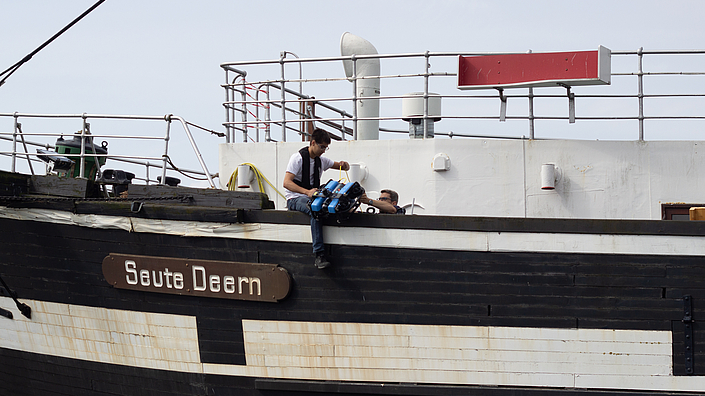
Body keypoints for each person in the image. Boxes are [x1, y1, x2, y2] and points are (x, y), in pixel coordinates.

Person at [283, 128, 349, 269]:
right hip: (295, 198)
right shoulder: (297, 158)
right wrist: (307, 192)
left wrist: (345, 165)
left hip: (312, 197)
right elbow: (286, 183)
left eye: (326, 147)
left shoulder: (322, 161)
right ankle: (319, 254)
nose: (324, 150)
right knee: (316, 210)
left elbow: (339, 166)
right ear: (313, 143)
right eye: (322, 147)